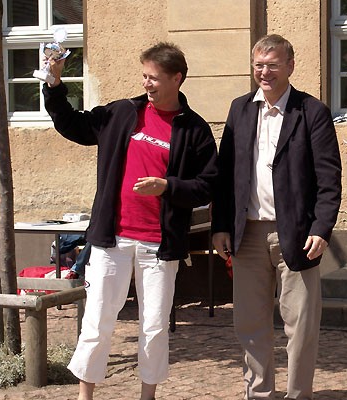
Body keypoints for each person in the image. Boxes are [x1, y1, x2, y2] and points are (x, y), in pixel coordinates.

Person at [43, 42, 218, 400]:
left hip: (160, 245)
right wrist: (55, 86)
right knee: (97, 321)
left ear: (177, 78)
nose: (147, 84)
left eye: (154, 78)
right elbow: (73, 125)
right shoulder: (123, 113)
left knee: (153, 326)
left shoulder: (195, 130)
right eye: (144, 76)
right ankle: (85, 395)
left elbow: (208, 185)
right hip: (112, 239)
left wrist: (167, 186)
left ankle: (147, 395)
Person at [211, 34, 342, 400]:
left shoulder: (311, 112)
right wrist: (221, 224)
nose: (264, 72)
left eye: (272, 64)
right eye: (258, 65)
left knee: (300, 326)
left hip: (297, 234)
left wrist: (322, 228)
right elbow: (226, 175)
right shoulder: (240, 109)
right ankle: (260, 394)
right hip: (247, 234)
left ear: (290, 66)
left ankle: (299, 394)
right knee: (250, 324)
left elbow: (329, 179)